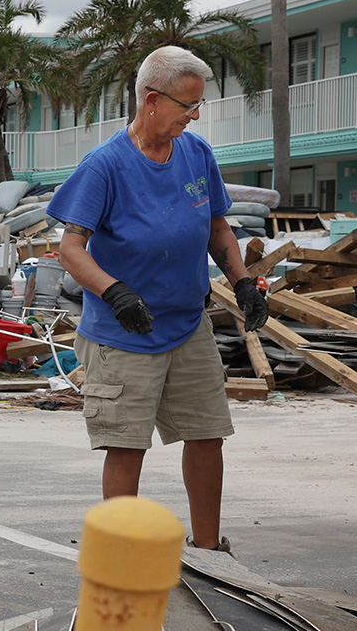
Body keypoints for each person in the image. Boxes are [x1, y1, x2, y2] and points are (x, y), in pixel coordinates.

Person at [49, 46, 269, 551]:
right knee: (127, 446)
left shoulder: (196, 154)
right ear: (152, 100)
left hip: (187, 324)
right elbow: (70, 247)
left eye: (198, 107)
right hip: (124, 333)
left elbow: (218, 227)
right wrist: (115, 292)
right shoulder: (105, 166)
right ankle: (122, 555)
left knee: (207, 434)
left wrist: (241, 282)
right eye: (186, 106)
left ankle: (209, 549)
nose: (194, 117)